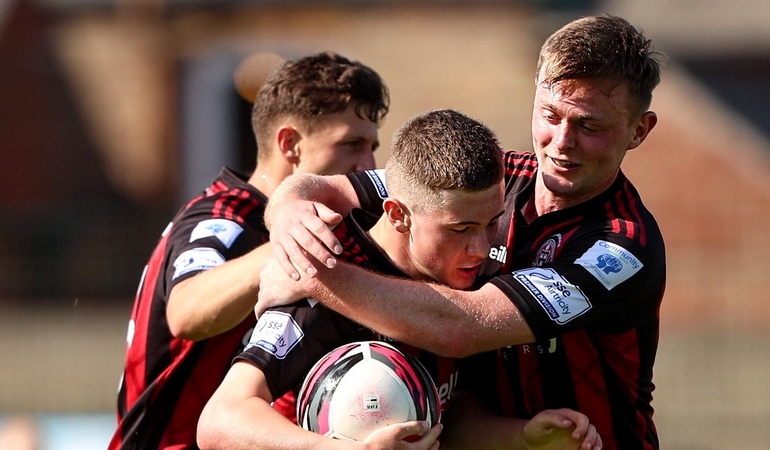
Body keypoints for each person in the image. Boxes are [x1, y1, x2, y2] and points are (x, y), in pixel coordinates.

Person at [257, 15, 665, 450]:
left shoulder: (621, 247)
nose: (561, 141)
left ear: (638, 130)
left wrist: (315, 274)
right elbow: (315, 188)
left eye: (589, 126)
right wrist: (286, 218)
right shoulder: (490, 179)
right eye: (550, 115)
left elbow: (459, 327)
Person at [197, 109, 602, 450]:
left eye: (492, 223)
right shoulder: (321, 281)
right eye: (459, 229)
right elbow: (219, 419)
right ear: (398, 215)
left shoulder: (464, 278)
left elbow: (448, 415)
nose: (481, 248)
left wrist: (522, 438)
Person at [109, 51, 389, 450]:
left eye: (372, 145)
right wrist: (287, 241)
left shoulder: (330, 221)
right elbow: (186, 312)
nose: (368, 164)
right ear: (289, 144)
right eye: (351, 144)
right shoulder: (224, 217)